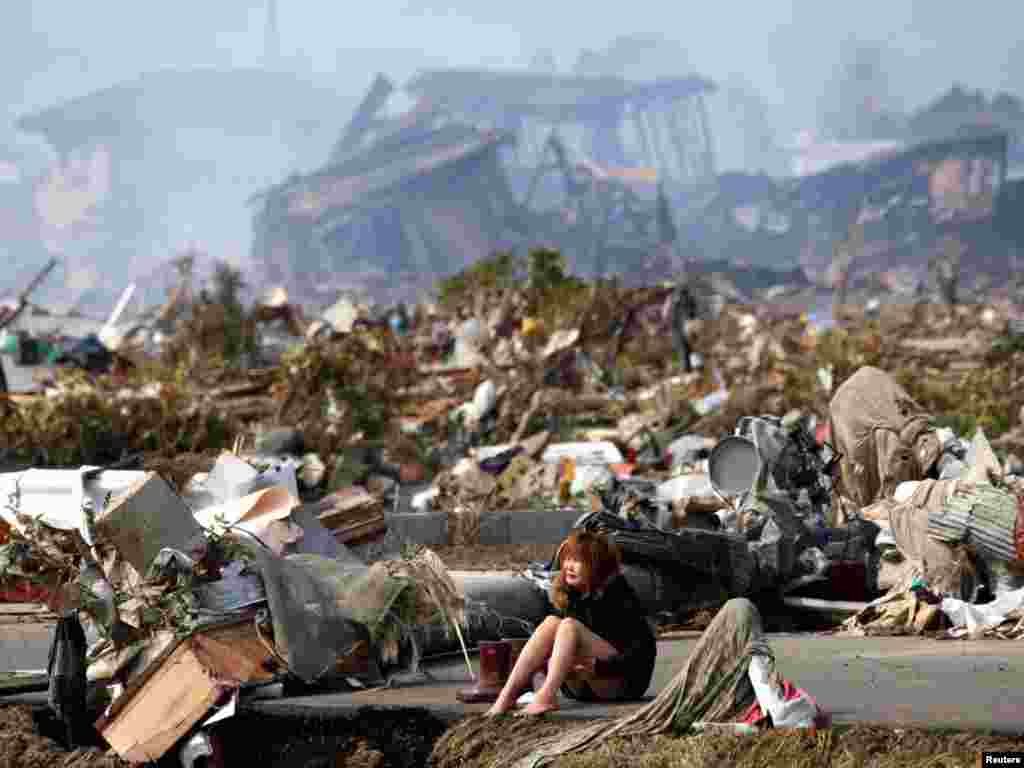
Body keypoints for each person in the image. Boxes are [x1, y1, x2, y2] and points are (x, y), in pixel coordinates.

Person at [487, 530, 657, 716]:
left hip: (619, 684)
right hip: (580, 687)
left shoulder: (620, 597)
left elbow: (645, 652)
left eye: (577, 561)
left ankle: (546, 697)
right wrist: (546, 662)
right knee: (552, 622)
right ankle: (507, 696)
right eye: (567, 559)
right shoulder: (571, 594)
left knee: (569, 625)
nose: (568, 566)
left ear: (597, 564)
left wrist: (600, 666)